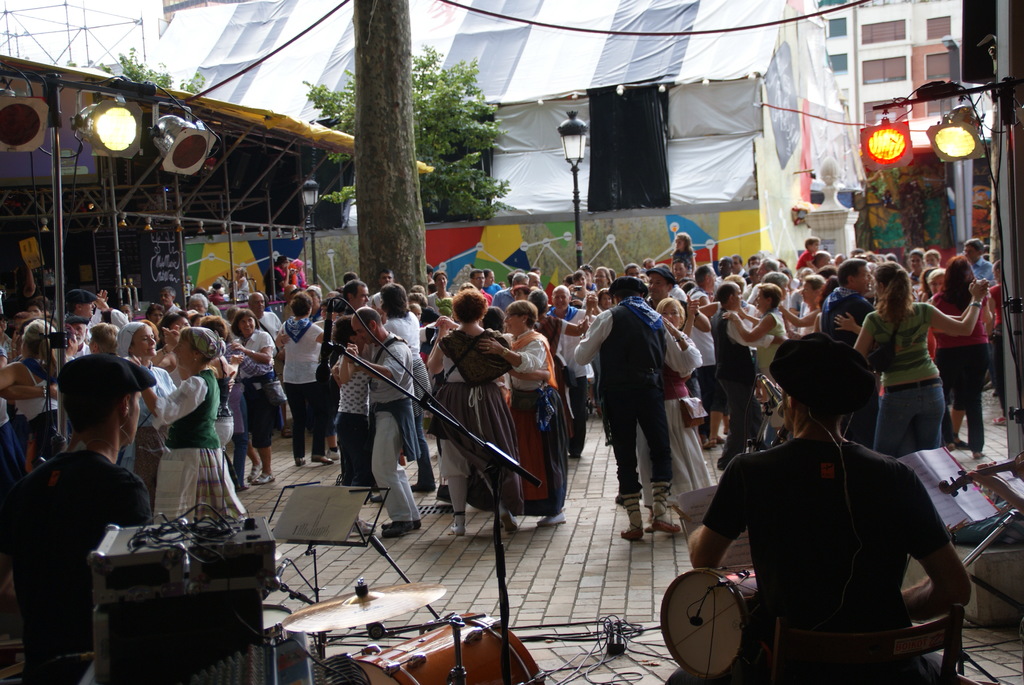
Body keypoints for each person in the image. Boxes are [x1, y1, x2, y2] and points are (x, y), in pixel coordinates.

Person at [679, 333, 975, 685]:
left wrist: (701, 527)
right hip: (888, 672)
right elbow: (955, 589)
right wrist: (893, 606)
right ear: (848, 407)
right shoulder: (897, 477)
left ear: (792, 402)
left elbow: (703, 558)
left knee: (683, 680)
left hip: (787, 671)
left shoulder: (749, 471)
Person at [0, 355, 153, 685]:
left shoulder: (25, 487)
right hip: (101, 667)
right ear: (124, 406)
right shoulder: (122, 488)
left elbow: (2, 588)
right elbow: (140, 593)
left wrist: (48, 606)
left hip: (41, 668)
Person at [575, 277, 687, 540]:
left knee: (625, 454)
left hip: (618, 392)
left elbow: (581, 357)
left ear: (614, 297)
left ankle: (635, 522)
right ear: (642, 294)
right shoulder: (657, 319)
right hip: (651, 389)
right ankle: (659, 512)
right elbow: (675, 360)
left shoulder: (609, 317)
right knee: (661, 449)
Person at [854, 262, 988, 458]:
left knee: (885, 455)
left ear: (881, 286)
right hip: (931, 389)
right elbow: (964, 327)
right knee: (930, 456)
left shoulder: (874, 319)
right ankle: (931, 488)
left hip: (897, 392)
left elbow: (856, 356)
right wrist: (976, 299)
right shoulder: (923, 310)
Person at [428, 290, 523, 535]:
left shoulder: (448, 341)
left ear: (456, 312)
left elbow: (434, 367)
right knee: (490, 455)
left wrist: (442, 333)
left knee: (454, 460)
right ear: (483, 312)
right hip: (489, 400)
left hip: (454, 401)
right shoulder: (496, 339)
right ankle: (503, 508)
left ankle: (459, 522)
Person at [144, 327, 245, 519]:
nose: (177, 351)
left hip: (191, 455)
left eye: (181, 347)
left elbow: (163, 411)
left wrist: (142, 382)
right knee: (202, 512)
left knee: (187, 513)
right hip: (198, 452)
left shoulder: (197, 383)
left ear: (196, 354)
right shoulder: (206, 377)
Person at [482, 300, 567, 527]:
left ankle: (554, 508)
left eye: (511, 315)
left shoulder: (536, 341)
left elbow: (528, 366)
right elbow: (525, 371)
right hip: (520, 406)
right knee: (522, 457)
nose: (506, 320)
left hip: (540, 407)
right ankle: (520, 504)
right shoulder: (513, 340)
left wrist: (504, 356)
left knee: (545, 458)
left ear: (524, 318)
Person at [337, 307, 420, 537]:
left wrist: (359, 362)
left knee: (382, 468)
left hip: (393, 410)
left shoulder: (397, 347)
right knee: (391, 467)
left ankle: (402, 518)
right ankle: (409, 515)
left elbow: (390, 374)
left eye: (359, 331)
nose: (358, 336)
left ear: (372, 326)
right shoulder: (377, 346)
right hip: (382, 411)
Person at [636, 298, 709, 529]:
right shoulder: (659, 337)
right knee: (664, 454)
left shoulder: (676, 338)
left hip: (676, 401)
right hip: (663, 402)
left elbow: (688, 365)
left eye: (674, 313)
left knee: (684, 452)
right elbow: (684, 368)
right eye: (664, 313)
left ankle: (691, 507)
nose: (669, 317)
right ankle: (658, 510)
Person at [932, 256, 990, 459]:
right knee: (974, 398)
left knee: (943, 396)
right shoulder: (979, 296)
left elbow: (934, 328)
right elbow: (987, 320)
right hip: (977, 347)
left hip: (949, 350)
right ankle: (977, 448)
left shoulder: (939, 299)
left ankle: (948, 440)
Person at [118, 322, 177, 509]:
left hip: (165, 438)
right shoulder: (123, 374)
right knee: (144, 497)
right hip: (139, 441)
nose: (152, 341)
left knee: (166, 497)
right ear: (130, 346)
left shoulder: (161, 373)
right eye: (145, 338)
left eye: (152, 336)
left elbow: (173, 405)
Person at [276, 292, 332, 467]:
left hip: (291, 376)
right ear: (309, 308)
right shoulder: (312, 328)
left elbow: (278, 342)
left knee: (298, 417)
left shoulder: (286, 325)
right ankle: (317, 452)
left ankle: (298, 456)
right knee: (322, 412)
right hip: (310, 375)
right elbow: (328, 341)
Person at [230, 309, 277, 485]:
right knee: (242, 432)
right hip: (243, 391)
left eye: (250, 320)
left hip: (262, 391)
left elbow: (267, 358)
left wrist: (246, 352)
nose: (247, 324)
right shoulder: (236, 341)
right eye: (243, 322)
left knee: (262, 432)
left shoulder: (263, 337)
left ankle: (268, 471)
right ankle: (256, 462)